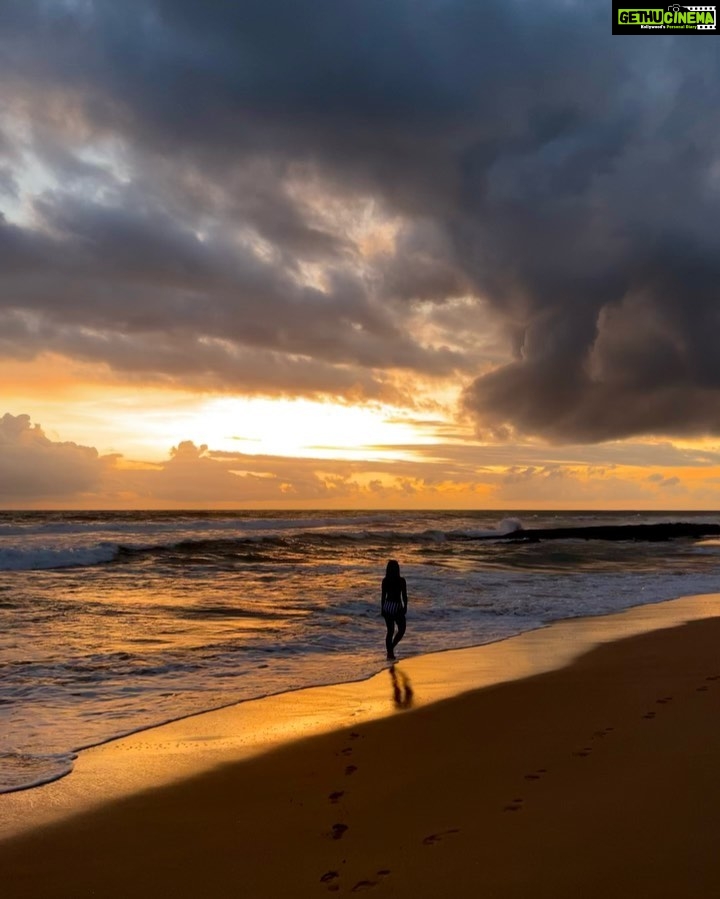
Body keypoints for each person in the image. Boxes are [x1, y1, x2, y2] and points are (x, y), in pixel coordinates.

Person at [381, 559, 407, 661]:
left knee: (390, 631)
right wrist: (405, 606)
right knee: (402, 629)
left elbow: (383, 597)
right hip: (396, 606)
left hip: (387, 606)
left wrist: (382, 608)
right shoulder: (401, 581)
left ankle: (390, 652)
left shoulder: (385, 580)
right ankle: (391, 649)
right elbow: (404, 596)